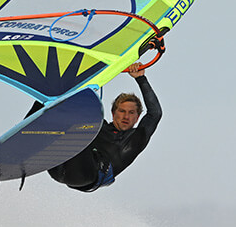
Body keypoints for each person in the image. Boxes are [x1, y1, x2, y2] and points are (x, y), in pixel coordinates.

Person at [40, 64, 162, 192]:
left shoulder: (137, 138)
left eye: (131, 113)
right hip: (59, 169)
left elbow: (155, 113)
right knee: (53, 103)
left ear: (137, 118)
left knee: (82, 120)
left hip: (85, 176)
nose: (126, 116)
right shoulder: (99, 126)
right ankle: (31, 128)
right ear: (114, 113)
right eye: (122, 111)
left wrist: (141, 79)